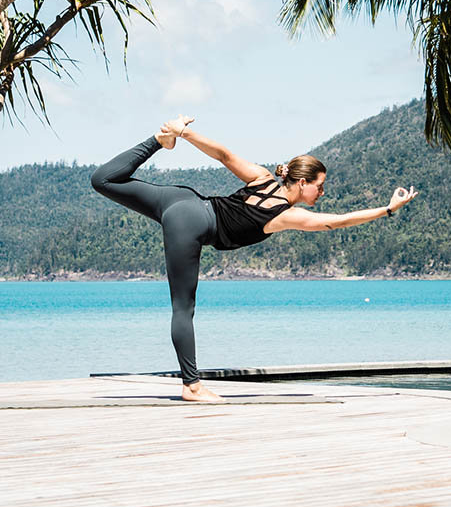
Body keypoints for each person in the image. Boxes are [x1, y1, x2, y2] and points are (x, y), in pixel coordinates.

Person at [91, 116, 418, 401]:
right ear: (302, 183)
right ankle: (191, 386)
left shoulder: (261, 177)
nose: (321, 193)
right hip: (190, 224)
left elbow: (224, 155)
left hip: (183, 198)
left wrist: (181, 134)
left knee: (103, 180)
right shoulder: (287, 214)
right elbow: (337, 220)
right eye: (319, 187)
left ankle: (158, 142)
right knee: (182, 308)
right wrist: (387, 210)